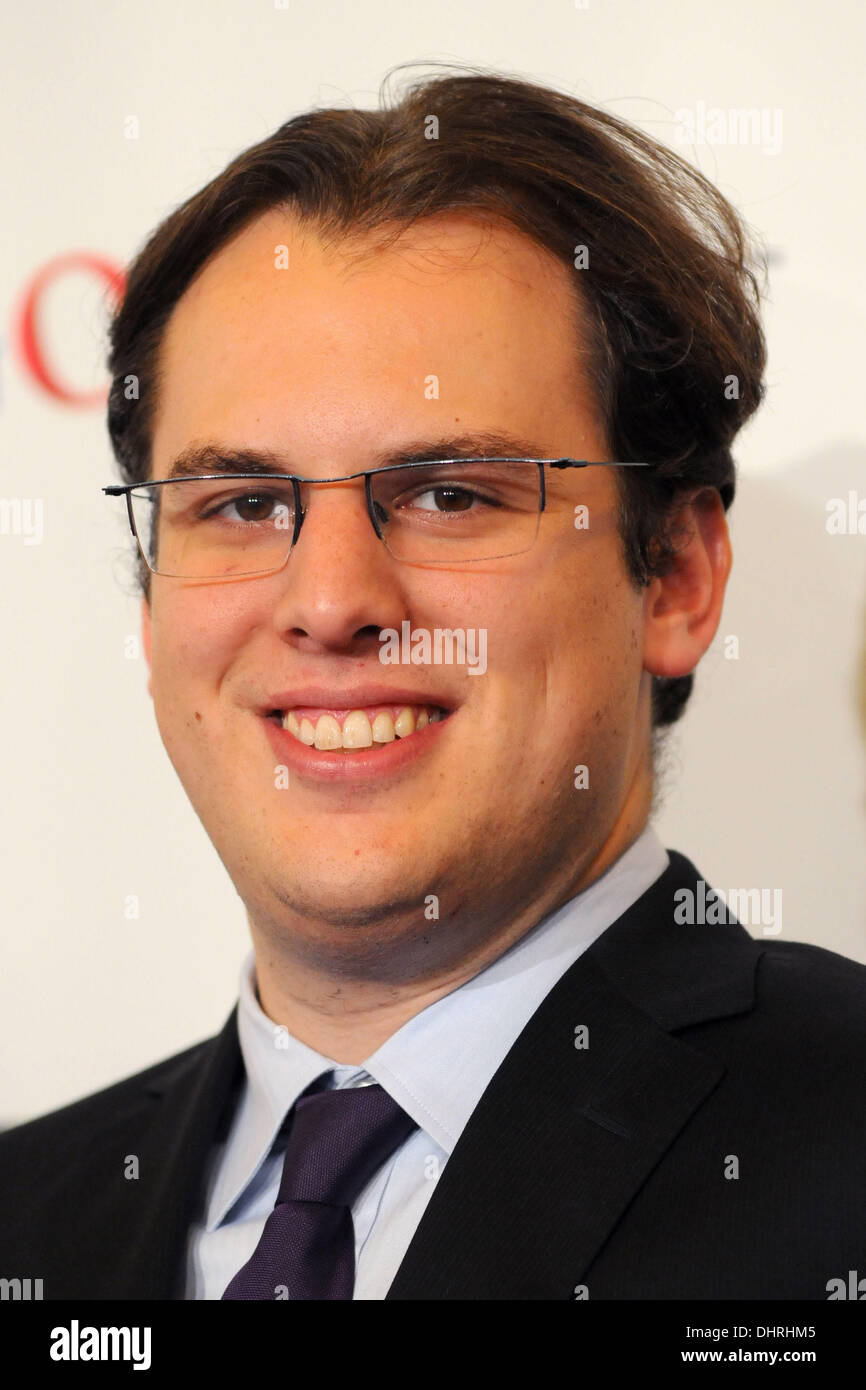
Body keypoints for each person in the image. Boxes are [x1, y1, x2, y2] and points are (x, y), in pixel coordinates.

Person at [2, 65, 864, 1302]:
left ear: (673, 576)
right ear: (150, 599)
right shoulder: (26, 1218)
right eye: (241, 504)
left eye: (449, 495)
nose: (328, 600)